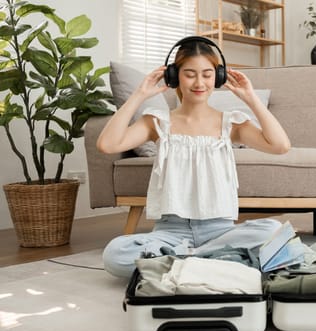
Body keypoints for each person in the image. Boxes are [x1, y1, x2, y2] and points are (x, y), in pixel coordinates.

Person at [97, 36, 291, 278]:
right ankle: (215, 262)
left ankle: (183, 262)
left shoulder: (230, 123)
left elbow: (280, 145)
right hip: (170, 232)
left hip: (220, 231)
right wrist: (138, 95)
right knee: (115, 254)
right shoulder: (157, 121)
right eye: (190, 74)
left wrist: (250, 98)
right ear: (174, 75)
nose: (199, 82)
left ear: (218, 77)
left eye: (207, 74)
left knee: (273, 232)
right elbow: (107, 144)